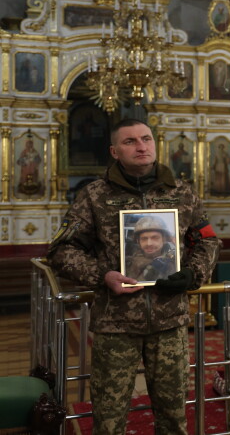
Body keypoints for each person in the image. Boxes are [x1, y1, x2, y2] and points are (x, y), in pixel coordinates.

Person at [47, 118, 219, 435]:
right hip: (116, 323)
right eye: (130, 141)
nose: (141, 146)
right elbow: (61, 250)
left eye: (146, 139)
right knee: (109, 419)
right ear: (115, 151)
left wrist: (193, 274)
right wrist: (103, 276)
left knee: (174, 418)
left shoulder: (181, 192)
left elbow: (207, 240)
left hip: (170, 321)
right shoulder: (94, 195)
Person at [126, 215, 178, 282]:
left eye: (155, 238)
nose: (149, 243)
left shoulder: (175, 263)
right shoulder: (127, 263)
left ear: (164, 239)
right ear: (138, 241)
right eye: (144, 238)